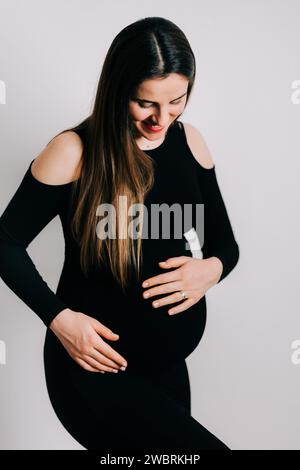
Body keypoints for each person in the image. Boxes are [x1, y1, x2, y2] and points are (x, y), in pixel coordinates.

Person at [0, 17, 239, 451]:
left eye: (176, 101)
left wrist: (212, 269)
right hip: (94, 371)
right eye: (145, 103)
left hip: (168, 370)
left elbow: (226, 245)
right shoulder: (73, 152)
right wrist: (59, 318)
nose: (161, 118)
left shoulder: (191, 143)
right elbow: (5, 243)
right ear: (118, 91)